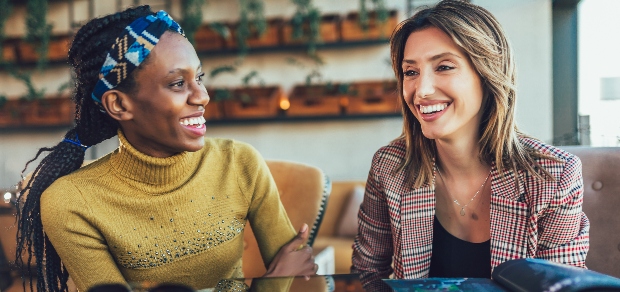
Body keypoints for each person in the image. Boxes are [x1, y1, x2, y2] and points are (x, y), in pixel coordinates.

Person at [15, 6, 316, 292]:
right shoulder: (71, 202)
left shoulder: (239, 162)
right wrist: (276, 279)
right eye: (177, 83)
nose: (202, 96)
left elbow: (300, 271)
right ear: (119, 104)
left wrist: (285, 274)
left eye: (199, 77)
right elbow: (286, 271)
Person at [351, 0, 589, 289]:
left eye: (444, 66)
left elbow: (561, 287)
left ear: (487, 73)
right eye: (410, 72)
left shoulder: (553, 176)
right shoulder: (390, 166)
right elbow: (365, 275)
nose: (421, 91)